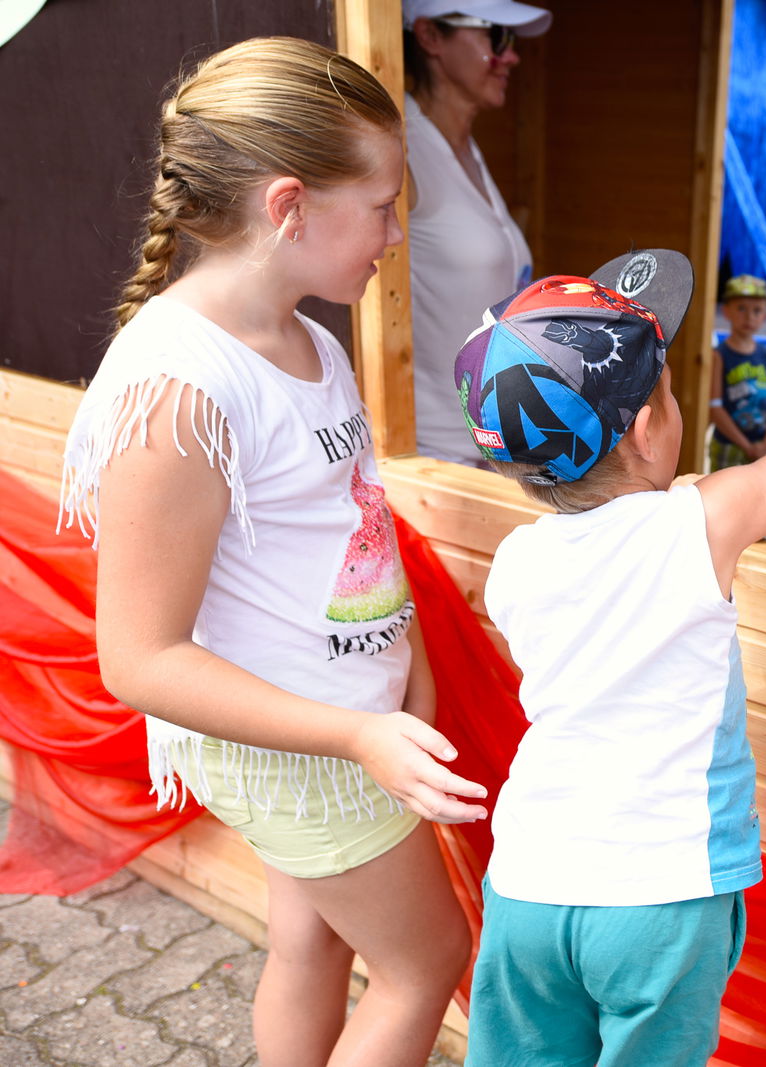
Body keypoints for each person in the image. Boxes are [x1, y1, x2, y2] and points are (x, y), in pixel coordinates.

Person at [59, 38, 488, 1067]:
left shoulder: (312, 339)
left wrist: (410, 680)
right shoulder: (181, 392)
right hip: (303, 746)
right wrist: (356, 738)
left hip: (336, 725)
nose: (396, 233)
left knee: (309, 936)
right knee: (427, 960)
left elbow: (354, 525)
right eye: (382, 205)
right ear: (289, 205)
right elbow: (141, 660)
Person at [452, 250, 766, 1066]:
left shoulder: (516, 561)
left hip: (528, 882)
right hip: (662, 893)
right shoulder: (700, 521)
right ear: (649, 428)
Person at [402, 0, 550, 465]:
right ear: (429, 37)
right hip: (438, 455)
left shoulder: (464, 143)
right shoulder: (403, 148)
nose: (512, 56)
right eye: (495, 37)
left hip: (494, 449)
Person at [708, 273, 766, 470]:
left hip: (762, 447)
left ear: (765, 315)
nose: (749, 317)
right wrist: (746, 445)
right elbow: (714, 406)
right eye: (741, 308)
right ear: (726, 311)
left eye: (757, 310)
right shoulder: (719, 356)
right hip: (729, 445)